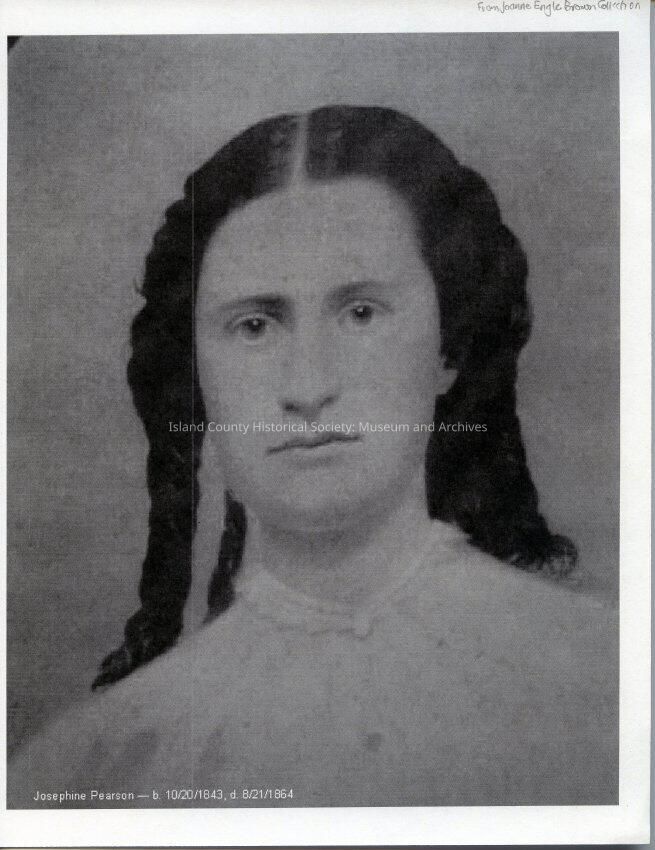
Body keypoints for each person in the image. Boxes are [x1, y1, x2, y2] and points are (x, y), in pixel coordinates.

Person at [8, 106, 617, 807]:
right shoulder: (91, 766)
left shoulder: (607, 682)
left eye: (360, 313)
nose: (306, 387)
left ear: (450, 343)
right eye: (254, 326)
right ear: (196, 373)